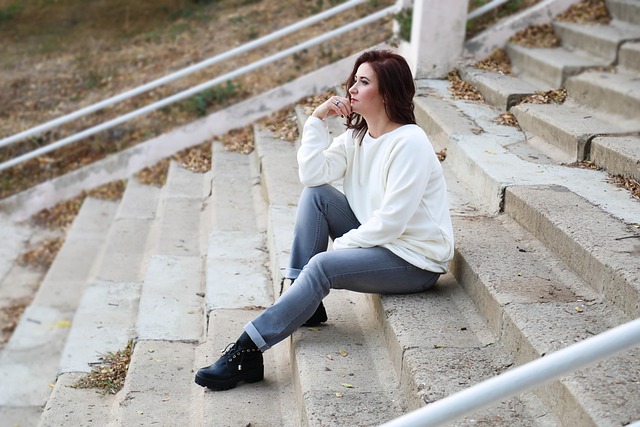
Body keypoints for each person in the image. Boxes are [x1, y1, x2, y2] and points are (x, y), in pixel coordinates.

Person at [195, 49, 454, 391]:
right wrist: (317, 120)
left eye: (364, 82)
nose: (352, 89)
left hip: (414, 260)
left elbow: (392, 222)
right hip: (383, 242)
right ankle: (305, 302)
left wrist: (339, 250)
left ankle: (248, 349)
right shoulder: (357, 137)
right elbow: (312, 174)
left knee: (321, 267)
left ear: (387, 94)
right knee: (316, 196)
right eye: (354, 80)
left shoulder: (410, 143)